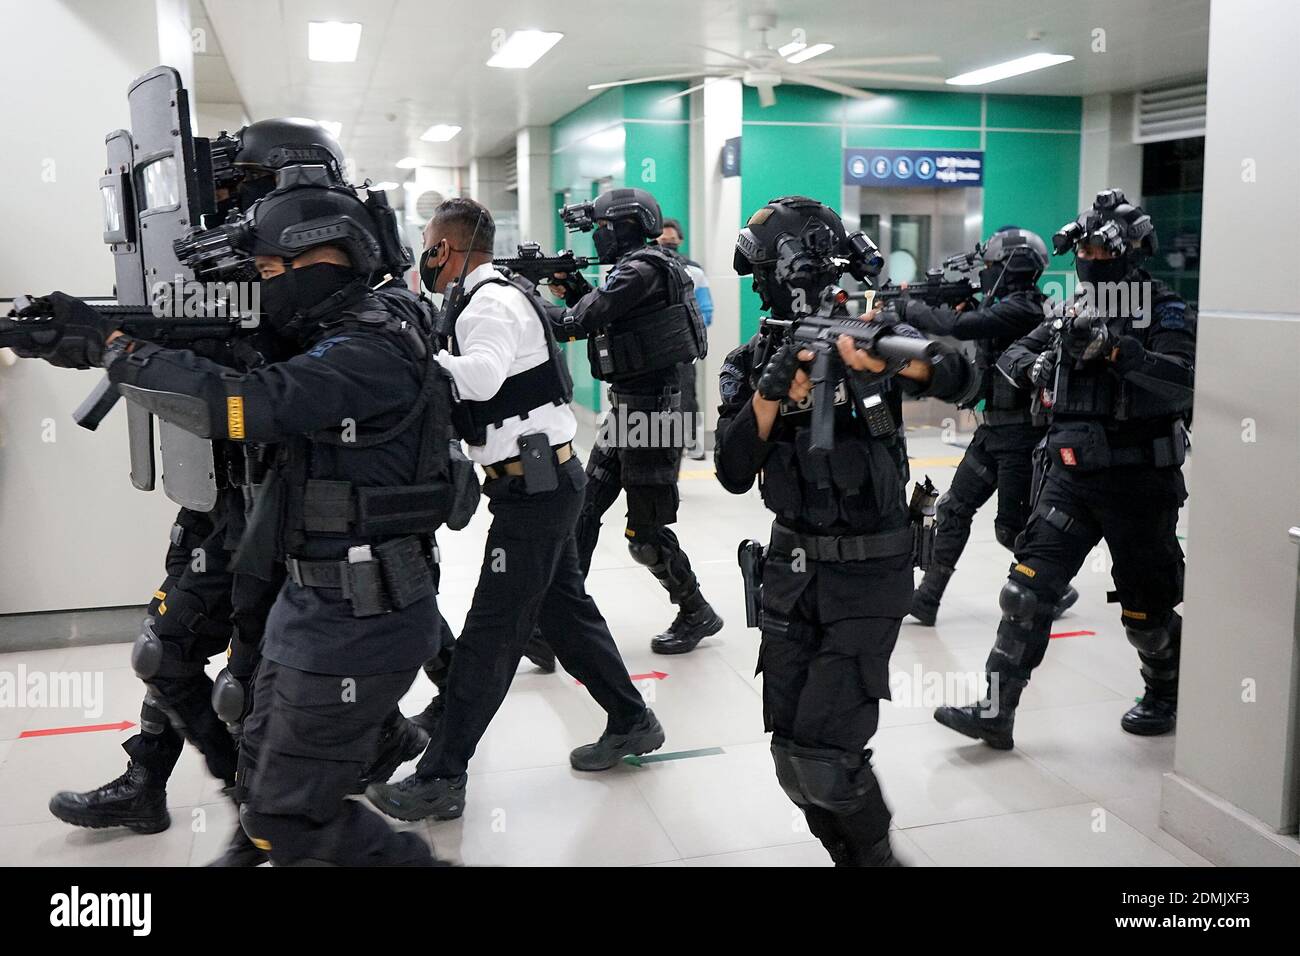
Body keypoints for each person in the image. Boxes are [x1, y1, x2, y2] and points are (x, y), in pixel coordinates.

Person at [25, 170, 460, 864]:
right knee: (264, 786)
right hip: (308, 602)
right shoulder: (331, 330)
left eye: (266, 270)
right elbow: (233, 367)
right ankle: (270, 817)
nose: (258, 286)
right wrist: (92, 340)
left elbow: (245, 406)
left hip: (362, 612)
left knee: (293, 819)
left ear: (321, 255)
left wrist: (115, 350)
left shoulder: (370, 345)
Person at [364, 199, 663, 823]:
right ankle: (633, 719)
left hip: (538, 490)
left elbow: (480, 378)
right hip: (534, 483)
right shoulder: (475, 299)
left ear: (445, 248)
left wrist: (407, 356)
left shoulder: (492, 302)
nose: (423, 251)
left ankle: (442, 773)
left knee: (491, 633)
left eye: (427, 241)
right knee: (565, 615)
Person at [716, 196, 976, 866]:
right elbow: (733, 471)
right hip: (790, 574)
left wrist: (892, 362)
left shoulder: (874, 323)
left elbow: (960, 372)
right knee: (790, 760)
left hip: (871, 570)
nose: (757, 284)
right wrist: (774, 396)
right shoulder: (750, 360)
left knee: (828, 761)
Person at [934, 189, 1195, 749]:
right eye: (1084, 251)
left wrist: (1119, 350)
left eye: (1103, 252)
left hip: (1139, 483)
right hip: (1070, 478)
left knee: (1144, 617)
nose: (1090, 261)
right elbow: (1010, 358)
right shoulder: (1070, 309)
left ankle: (1166, 690)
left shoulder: (1165, 309)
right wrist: (1041, 366)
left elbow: (1181, 377)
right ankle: (995, 711)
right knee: (1026, 592)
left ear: (1132, 252)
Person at [541, 187, 723, 655]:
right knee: (584, 511)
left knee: (644, 534)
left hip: (657, 411)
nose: (597, 238)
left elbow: (578, 322)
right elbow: (609, 317)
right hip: (630, 406)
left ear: (624, 227)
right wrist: (575, 290)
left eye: (602, 228)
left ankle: (695, 610)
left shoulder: (642, 268)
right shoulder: (637, 269)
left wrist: (526, 302)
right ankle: (561, 619)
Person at [897, 227, 1078, 625]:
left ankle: (1055, 587)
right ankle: (927, 598)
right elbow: (973, 321)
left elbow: (963, 328)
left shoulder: (1028, 309)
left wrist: (909, 310)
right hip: (992, 430)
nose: (986, 273)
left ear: (1013, 269)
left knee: (1012, 529)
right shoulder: (1002, 306)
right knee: (954, 509)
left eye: (993, 266)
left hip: (1022, 435)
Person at [657, 218, 713, 460]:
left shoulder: (694, 271)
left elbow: (706, 312)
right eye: (664, 238)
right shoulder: (647, 268)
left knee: (686, 397)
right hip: (655, 351)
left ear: (680, 240)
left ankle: (691, 444)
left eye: (672, 239)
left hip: (683, 350)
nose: (668, 242)